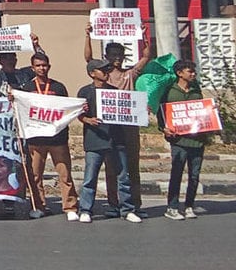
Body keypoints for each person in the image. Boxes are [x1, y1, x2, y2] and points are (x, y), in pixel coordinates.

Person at [83, 24, 152, 218]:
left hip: (128, 125)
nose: (116, 58)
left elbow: (146, 57)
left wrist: (144, 35)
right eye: (112, 55)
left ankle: (134, 204)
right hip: (108, 126)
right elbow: (88, 59)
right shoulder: (104, 75)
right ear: (106, 55)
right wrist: (87, 35)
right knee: (111, 167)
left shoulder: (130, 73)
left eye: (119, 55)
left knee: (131, 167)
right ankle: (114, 204)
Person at [76, 59, 141, 223]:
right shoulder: (85, 92)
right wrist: (87, 120)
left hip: (116, 140)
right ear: (92, 73)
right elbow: (78, 114)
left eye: (107, 69)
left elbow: (126, 112)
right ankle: (85, 210)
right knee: (90, 178)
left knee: (123, 177)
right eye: (102, 70)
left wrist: (139, 108)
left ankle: (127, 209)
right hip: (95, 140)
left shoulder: (115, 91)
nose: (106, 72)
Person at [16, 52, 78, 220]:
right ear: (33, 68)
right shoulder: (27, 89)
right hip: (36, 139)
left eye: (44, 65)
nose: (42, 68)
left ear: (49, 67)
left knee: (65, 175)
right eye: (38, 66)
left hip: (57, 139)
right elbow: (20, 108)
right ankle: (39, 205)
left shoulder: (58, 87)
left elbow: (67, 108)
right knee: (35, 176)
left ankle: (70, 207)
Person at [158, 59, 209, 221]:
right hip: (178, 141)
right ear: (179, 73)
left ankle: (189, 205)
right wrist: (163, 128)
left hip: (197, 139)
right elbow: (162, 113)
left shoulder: (196, 89)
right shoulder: (169, 91)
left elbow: (202, 110)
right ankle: (172, 207)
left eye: (194, 71)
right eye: (190, 71)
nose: (193, 74)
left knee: (194, 175)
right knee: (177, 173)